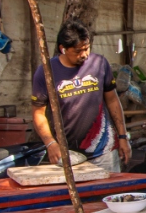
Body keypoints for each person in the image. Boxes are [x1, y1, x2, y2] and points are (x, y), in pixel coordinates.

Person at [31, 20, 130, 172]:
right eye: (78, 51)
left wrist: (123, 138)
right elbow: (39, 112)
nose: (84, 55)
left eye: (87, 48)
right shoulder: (46, 71)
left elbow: (112, 101)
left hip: (103, 152)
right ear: (63, 49)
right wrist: (50, 143)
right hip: (66, 154)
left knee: (108, 194)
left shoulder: (99, 63)